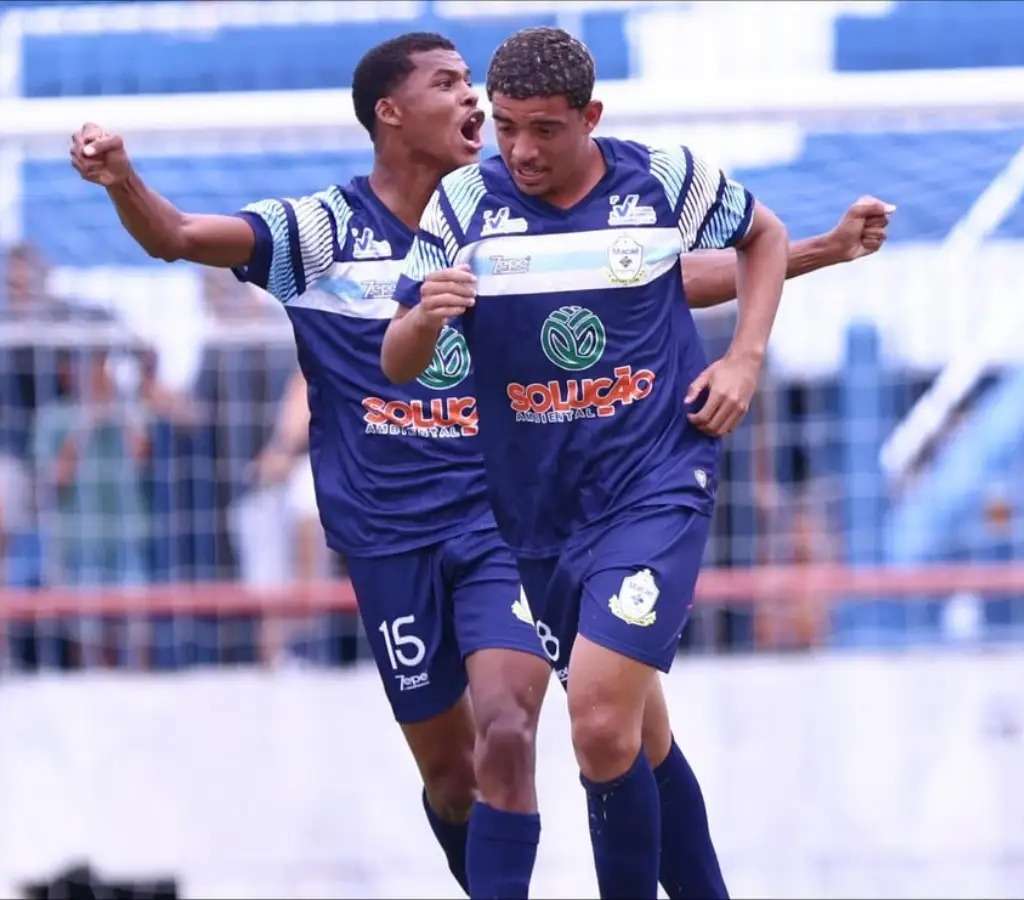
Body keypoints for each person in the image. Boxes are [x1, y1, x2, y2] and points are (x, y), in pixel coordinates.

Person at [73, 30, 891, 899]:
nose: (473, 102)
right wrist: (123, 179)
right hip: (401, 531)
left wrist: (809, 260)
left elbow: (650, 275)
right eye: (450, 84)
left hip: (511, 513)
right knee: (466, 774)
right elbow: (179, 236)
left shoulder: (556, 194)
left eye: (476, 85)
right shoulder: (341, 227)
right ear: (391, 112)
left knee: (528, 725)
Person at [384, 26, 796, 898]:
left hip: (656, 482)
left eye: (544, 129)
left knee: (600, 720)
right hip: (539, 513)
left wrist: (744, 359)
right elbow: (398, 359)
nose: (522, 150)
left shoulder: (663, 179)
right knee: (641, 737)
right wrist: (423, 318)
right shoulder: (462, 204)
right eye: (505, 127)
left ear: (590, 117)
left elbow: (764, 236)